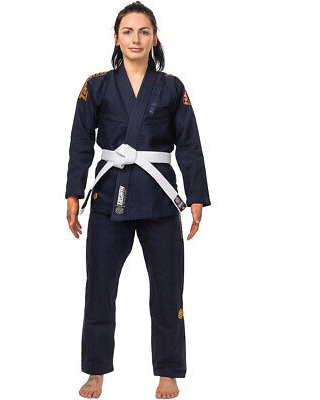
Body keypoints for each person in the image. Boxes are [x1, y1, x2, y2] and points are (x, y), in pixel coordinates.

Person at [65, 2, 211, 398]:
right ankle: (96, 370)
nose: (135, 39)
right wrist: (74, 193)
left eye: (144, 31)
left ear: (154, 38)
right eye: (127, 31)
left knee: (167, 288)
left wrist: (196, 196)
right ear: (116, 38)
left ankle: (168, 371)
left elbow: (189, 145)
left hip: (159, 200)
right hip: (108, 197)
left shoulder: (172, 87)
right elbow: (81, 142)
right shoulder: (96, 85)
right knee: (99, 288)